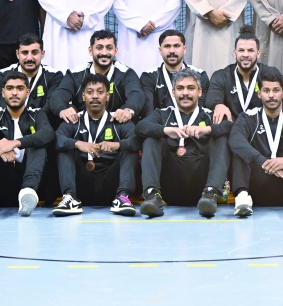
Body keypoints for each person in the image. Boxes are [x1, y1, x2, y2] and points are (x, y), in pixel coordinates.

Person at [135, 68, 232, 218]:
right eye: (180, 88)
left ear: (200, 92)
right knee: (151, 137)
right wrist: (165, 130)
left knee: (221, 137)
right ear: (173, 92)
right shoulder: (162, 114)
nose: (185, 93)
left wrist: (207, 129)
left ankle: (211, 192)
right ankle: (152, 196)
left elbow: (230, 127)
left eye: (190, 88)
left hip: (202, 192)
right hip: (170, 186)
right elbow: (140, 127)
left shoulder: (209, 115)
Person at [229, 68, 283, 217]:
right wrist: (262, 161)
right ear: (259, 93)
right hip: (258, 181)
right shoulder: (248, 117)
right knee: (240, 150)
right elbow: (235, 139)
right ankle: (242, 197)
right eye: (266, 90)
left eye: (276, 90)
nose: (271, 95)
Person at [52, 73, 140, 217]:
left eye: (100, 92)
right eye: (90, 92)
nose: (95, 96)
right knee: (65, 147)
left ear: (107, 96)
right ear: (83, 96)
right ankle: (69, 197)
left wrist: (116, 145)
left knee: (129, 149)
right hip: (82, 185)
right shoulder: (74, 120)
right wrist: (78, 144)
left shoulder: (118, 120)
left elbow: (137, 140)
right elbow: (56, 139)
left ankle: (123, 197)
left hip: (111, 184)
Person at [0, 72, 55, 217]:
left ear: (27, 92)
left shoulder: (37, 114)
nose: (14, 93)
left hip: (32, 187)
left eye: (20, 88)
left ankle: (28, 191)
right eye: (10, 88)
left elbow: (48, 133)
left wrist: (14, 143)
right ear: (3, 92)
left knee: (38, 142)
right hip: (1, 184)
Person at [50, 30, 144, 125]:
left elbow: (136, 94)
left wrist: (128, 110)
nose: (104, 52)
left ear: (116, 51)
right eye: (99, 48)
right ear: (90, 50)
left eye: (109, 48)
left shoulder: (126, 73)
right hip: (82, 129)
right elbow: (59, 94)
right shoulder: (75, 73)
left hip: (116, 126)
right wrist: (62, 110)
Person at [206, 25, 283, 124]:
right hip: (232, 129)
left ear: (258, 53)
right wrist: (218, 105)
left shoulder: (271, 73)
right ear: (235, 53)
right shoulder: (221, 75)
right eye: (241, 50)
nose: (245, 55)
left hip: (263, 128)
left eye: (250, 50)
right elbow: (211, 98)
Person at [139, 30, 210, 116]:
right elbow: (148, 112)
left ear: (184, 49)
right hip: (161, 126)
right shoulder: (149, 76)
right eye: (167, 46)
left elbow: (201, 109)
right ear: (160, 50)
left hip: (192, 126)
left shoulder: (200, 75)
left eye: (176, 46)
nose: (172, 51)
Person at [0, 34, 63, 118]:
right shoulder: (3, 74)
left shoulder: (54, 75)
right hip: (12, 123)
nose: (29, 58)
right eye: (25, 53)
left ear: (42, 54)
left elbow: (50, 106)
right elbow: (4, 105)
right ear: (17, 54)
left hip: (42, 123)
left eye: (34, 52)